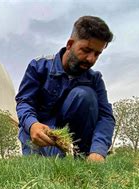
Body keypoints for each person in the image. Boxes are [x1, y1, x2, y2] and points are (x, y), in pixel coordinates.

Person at [15, 16, 115, 162]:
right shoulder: (38, 67)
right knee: (42, 170)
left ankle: (82, 157)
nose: (91, 59)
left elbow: (106, 116)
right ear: (70, 44)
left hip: (74, 140)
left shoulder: (95, 79)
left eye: (97, 54)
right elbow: (24, 102)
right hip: (41, 135)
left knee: (85, 95)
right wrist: (32, 125)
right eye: (86, 50)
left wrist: (98, 150)